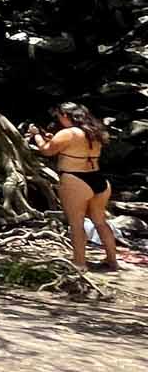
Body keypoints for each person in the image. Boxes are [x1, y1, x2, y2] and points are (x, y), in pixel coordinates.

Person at [28, 102, 121, 272]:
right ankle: (112, 261)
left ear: (65, 115)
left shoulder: (67, 133)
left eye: (59, 116)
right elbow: (74, 147)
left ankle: (79, 263)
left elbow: (47, 151)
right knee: (100, 221)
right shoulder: (95, 132)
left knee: (76, 223)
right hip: (98, 179)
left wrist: (36, 136)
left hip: (75, 180)